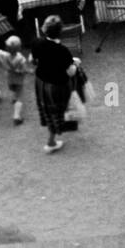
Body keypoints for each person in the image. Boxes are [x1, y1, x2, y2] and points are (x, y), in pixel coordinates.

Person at [30, 15, 79, 154]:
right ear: (60, 31)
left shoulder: (36, 42)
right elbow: (70, 72)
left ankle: (53, 133)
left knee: (46, 108)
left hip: (41, 82)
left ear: (45, 29)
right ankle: (51, 142)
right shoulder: (62, 50)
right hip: (57, 85)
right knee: (57, 110)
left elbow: (33, 60)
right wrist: (75, 64)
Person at [0, 35, 28, 124]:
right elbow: (24, 70)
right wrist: (25, 71)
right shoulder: (21, 58)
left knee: (13, 89)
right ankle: (16, 116)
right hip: (18, 80)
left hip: (9, 79)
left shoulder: (5, 55)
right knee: (19, 96)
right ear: (19, 48)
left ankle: (14, 97)